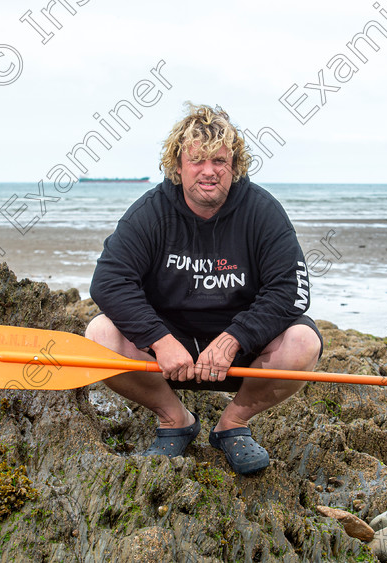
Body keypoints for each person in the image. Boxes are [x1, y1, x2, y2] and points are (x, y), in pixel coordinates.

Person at [85, 103, 323, 474]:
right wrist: (159, 340)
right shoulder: (151, 211)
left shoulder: (261, 211)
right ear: (178, 167)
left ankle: (233, 425)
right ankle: (174, 419)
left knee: (304, 343)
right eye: (197, 160)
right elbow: (109, 282)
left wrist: (234, 339)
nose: (209, 172)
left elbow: (291, 289)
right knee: (99, 334)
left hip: (243, 354)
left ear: (235, 166)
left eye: (220, 161)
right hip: (167, 355)